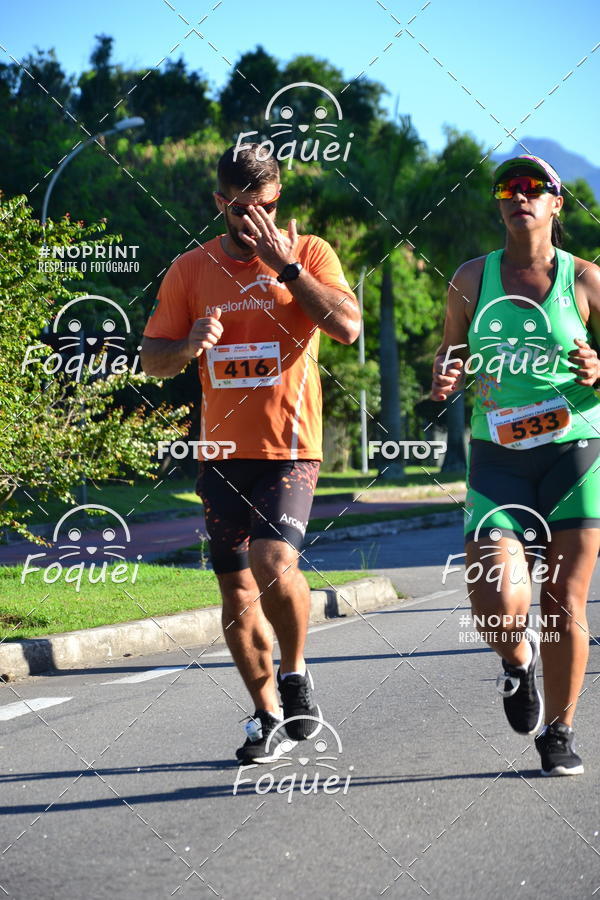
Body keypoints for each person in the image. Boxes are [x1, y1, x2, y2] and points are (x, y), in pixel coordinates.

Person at [141, 144, 360, 764]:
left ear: (277, 200)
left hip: (289, 447)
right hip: (219, 453)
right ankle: (265, 716)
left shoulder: (309, 252)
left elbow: (348, 329)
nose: (252, 222)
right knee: (236, 592)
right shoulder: (190, 269)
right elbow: (152, 359)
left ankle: (294, 675)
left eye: (262, 207)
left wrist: (287, 269)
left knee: (273, 556)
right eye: (239, 209)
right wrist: (186, 345)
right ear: (219, 203)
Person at [432, 155, 600, 775]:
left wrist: (599, 369)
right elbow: (450, 351)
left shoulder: (585, 281)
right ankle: (516, 660)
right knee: (497, 602)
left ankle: (559, 731)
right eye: (509, 187)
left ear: (557, 204)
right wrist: (448, 374)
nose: (519, 195)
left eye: (534, 188)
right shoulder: (472, 279)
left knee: (562, 601)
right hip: (499, 456)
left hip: (574, 452)